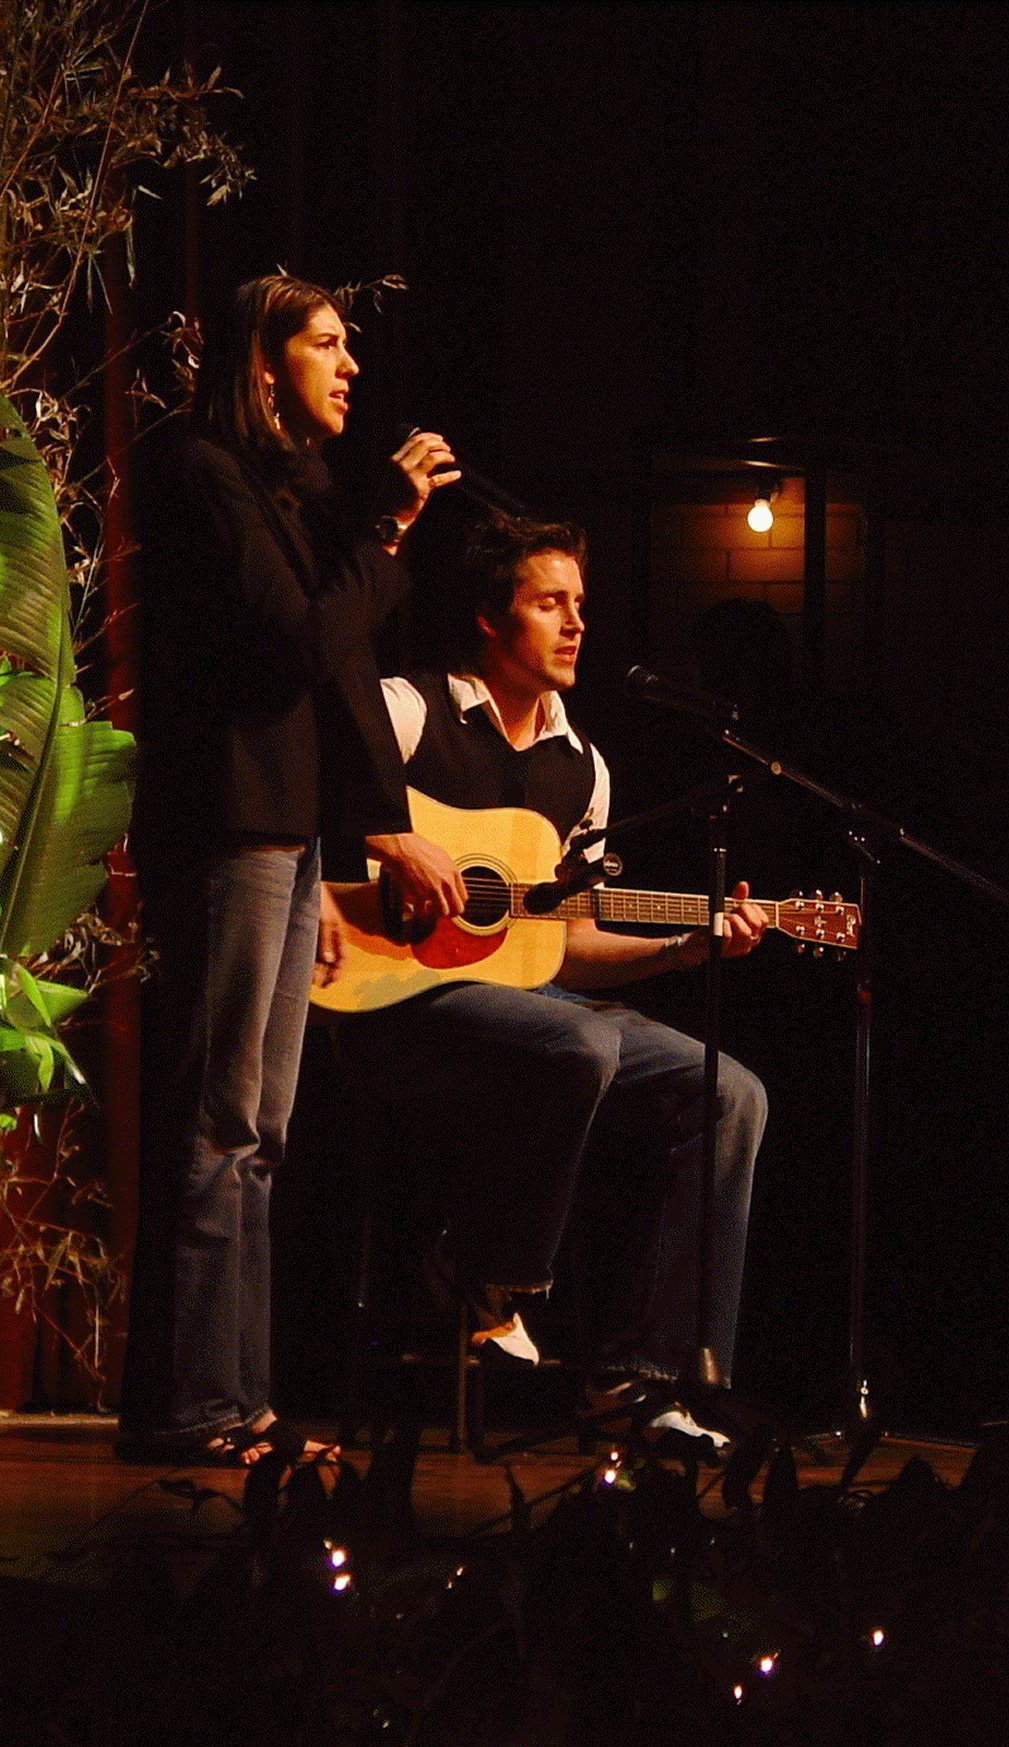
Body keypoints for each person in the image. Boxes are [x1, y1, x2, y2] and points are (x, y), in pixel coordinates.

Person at [121, 274, 468, 1466]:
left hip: (283, 832)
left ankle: (241, 1403)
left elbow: (336, 671)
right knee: (218, 1122)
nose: (351, 365)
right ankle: (186, 1406)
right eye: (325, 343)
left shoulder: (285, 488)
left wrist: (361, 832)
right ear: (262, 361)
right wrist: (382, 532)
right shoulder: (200, 469)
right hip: (225, 826)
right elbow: (298, 645)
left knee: (261, 1130)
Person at [329, 515, 768, 1447]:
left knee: (730, 1090)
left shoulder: (586, 769)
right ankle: (485, 1275)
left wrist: (684, 948)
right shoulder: (412, 710)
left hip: (532, 1007)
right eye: (548, 604)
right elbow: (310, 763)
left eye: (579, 605)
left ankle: (647, 1382)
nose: (575, 625)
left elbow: (561, 945)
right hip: (395, 1003)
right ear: (493, 617)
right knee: (581, 1039)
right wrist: (387, 838)